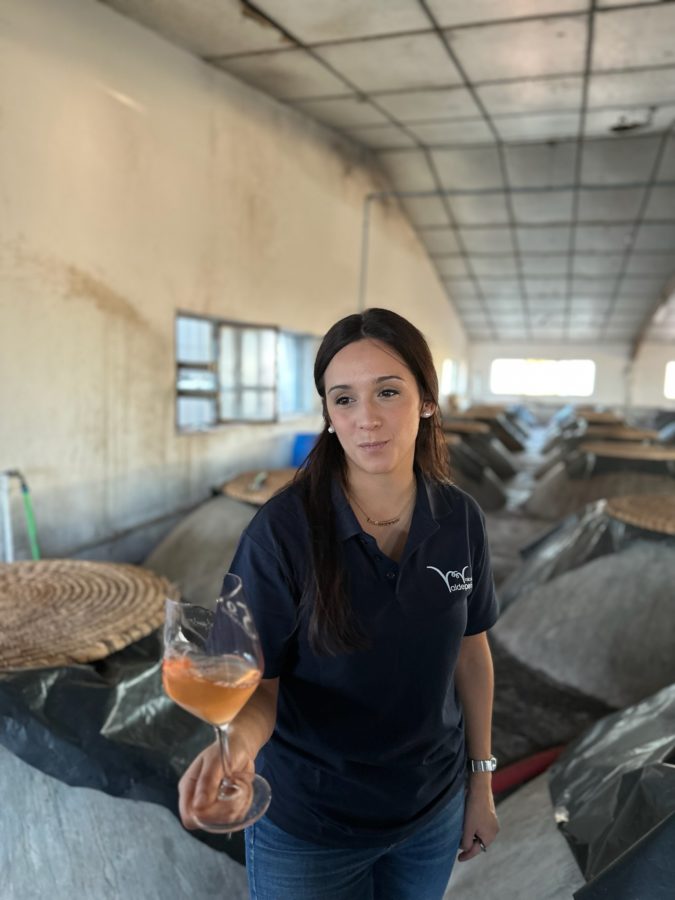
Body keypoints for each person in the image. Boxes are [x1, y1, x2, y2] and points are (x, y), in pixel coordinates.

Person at [179, 308, 500, 899]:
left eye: (387, 392)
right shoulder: (281, 533)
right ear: (328, 414)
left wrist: (479, 781)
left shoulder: (459, 519)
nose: (366, 418)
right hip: (311, 828)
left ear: (427, 401)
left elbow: (471, 652)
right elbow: (257, 686)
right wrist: (236, 750)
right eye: (344, 399)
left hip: (430, 812)